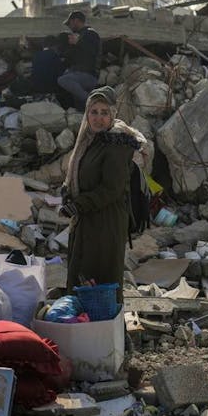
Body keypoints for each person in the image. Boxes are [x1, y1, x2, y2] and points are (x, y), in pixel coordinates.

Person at [60, 86, 150, 300]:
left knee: (100, 280)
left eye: (104, 112)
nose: (98, 118)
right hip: (88, 220)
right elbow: (77, 175)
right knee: (82, 275)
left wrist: (78, 204)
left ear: (113, 114)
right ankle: (82, 326)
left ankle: (107, 329)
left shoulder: (117, 144)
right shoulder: (89, 140)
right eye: (94, 112)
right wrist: (67, 192)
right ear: (87, 114)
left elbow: (112, 189)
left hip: (106, 224)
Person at [56, 11, 101, 109]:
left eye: (70, 23)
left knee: (63, 80)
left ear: (76, 21)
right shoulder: (80, 35)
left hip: (88, 75)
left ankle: (91, 102)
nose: (69, 27)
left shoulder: (90, 33)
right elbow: (74, 56)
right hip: (79, 75)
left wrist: (78, 42)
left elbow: (92, 52)